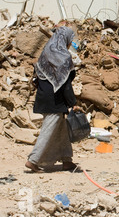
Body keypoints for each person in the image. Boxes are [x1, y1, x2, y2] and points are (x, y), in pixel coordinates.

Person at [25, 26, 82, 173]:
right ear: (66, 40)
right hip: (54, 100)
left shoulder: (46, 52)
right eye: (70, 40)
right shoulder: (64, 57)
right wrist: (73, 103)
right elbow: (66, 85)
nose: (70, 44)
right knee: (48, 129)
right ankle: (33, 160)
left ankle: (67, 160)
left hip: (44, 96)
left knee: (61, 129)